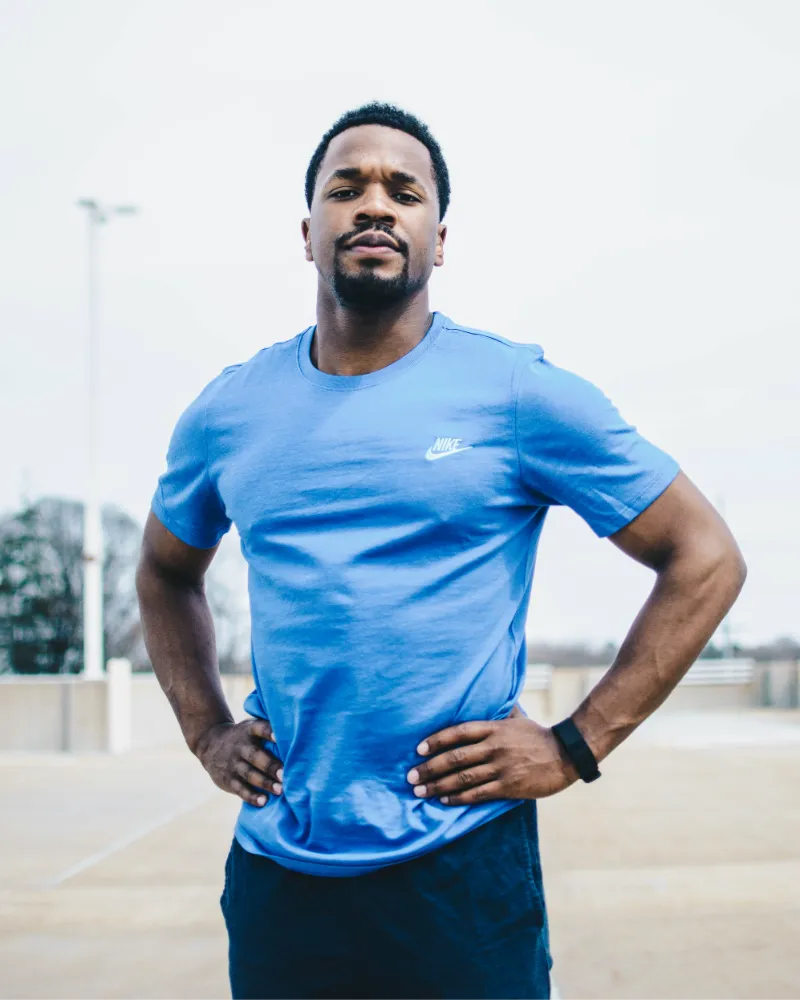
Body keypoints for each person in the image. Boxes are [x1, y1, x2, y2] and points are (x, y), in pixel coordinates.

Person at [136, 102, 746, 999]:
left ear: (439, 238)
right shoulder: (228, 413)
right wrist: (205, 731)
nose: (374, 205)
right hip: (280, 876)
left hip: (460, 872)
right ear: (308, 233)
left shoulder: (515, 393)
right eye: (347, 188)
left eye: (404, 191)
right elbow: (164, 570)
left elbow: (705, 556)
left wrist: (575, 745)